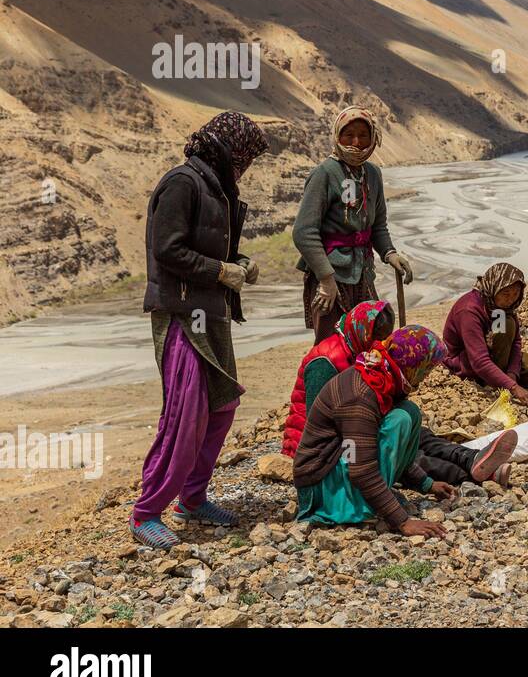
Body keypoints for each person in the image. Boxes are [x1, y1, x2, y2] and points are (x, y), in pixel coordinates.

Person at [133, 111, 269, 549]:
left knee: (220, 406)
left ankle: (192, 498)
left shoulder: (217, 189)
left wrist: (239, 263)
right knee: (186, 413)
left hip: (211, 311)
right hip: (181, 311)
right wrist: (219, 271)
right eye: (243, 157)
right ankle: (146, 512)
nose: (244, 167)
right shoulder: (183, 183)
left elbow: (211, 247)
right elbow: (167, 250)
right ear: (226, 151)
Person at [294, 325, 448, 537]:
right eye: (426, 369)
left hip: (341, 461)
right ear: (412, 364)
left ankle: (369, 498)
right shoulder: (361, 395)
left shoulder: (381, 375)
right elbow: (360, 468)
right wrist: (402, 521)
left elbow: (374, 450)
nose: (425, 377)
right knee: (400, 420)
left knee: (408, 412)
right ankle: (358, 506)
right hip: (321, 486)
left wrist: (427, 484)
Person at [293, 105, 415, 344]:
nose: (356, 142)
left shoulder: (373, 174)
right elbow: (304, 232)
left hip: (363, 275)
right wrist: (326, 279)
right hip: (330, 277)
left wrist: (390, 253)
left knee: (370, 342)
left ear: (373, 137)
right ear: (337, 136)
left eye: (363, 135)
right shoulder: (324, 174)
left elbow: (377, 226)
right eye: (349, 135)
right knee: (333, 349)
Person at [282, 299, 396, 458]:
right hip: (312, 452)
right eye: (375, 338)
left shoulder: (355, 350)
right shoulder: (325, 362)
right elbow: (317, 422)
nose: (378, 344)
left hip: (338, 434)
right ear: (363, 332)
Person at [442, 262, 528, 410]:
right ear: (494, 288)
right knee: (507, 323)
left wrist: (512, 374)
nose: (511, 299)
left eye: (515, 294)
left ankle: (497, 377)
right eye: (506, 294)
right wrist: (514, 388)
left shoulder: (501, 308)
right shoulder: (469, 310)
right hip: (466, 361)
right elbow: (479, 360)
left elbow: (515, 343)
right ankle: (491, 379)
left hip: (493, 354)